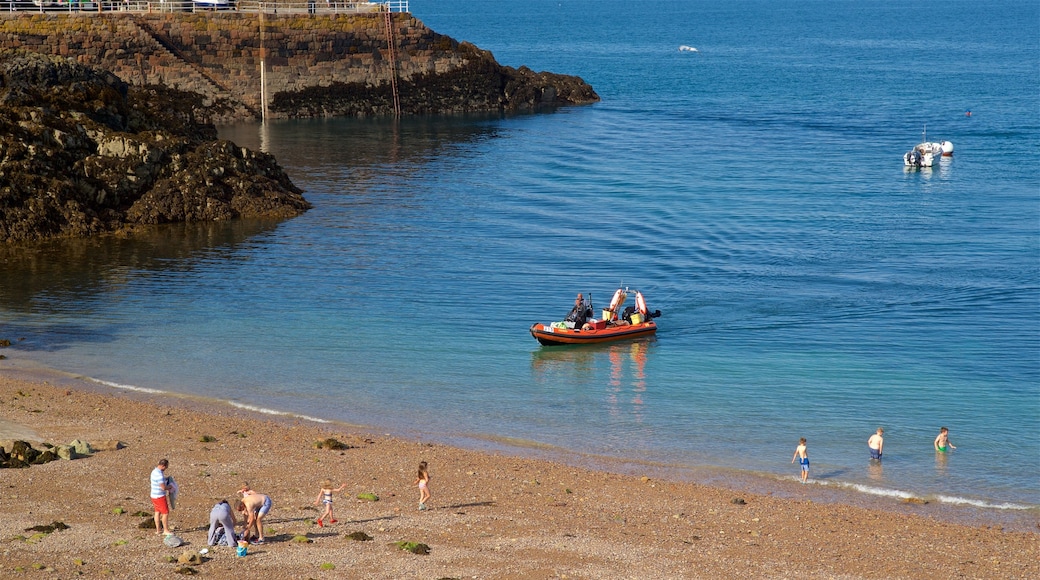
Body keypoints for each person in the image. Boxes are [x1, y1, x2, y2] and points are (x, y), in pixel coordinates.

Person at [149, 459, 172, 535]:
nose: (166, 469)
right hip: (160, 496)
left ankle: (158, 530)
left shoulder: (154, 471)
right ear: (163, 466)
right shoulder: (159, 475)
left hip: (153, 495)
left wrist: (165, 479)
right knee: (165, 513)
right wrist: (169, 487)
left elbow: (159, 481)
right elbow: (163, 487)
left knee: (157, 512)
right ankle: (165, 530)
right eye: (166, 467)